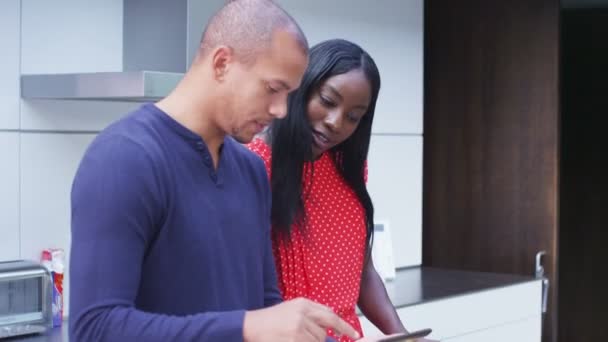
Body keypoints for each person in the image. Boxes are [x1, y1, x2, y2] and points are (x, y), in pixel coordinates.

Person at [69, 1, 361, 341]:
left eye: (289, 95)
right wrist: (247, 327)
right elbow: (95, 329)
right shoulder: (124, 158)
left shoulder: (250, 170)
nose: (281, 110)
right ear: (222, 63)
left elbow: (265, 306)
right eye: (272, 89)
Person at [247, 39, 435, 342]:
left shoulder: (346, 168)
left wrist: (403, 337)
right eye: (328, 100)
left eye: (353, 117)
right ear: (302, 88)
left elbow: (363, 273)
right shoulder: (255, 166)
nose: (336, 123)